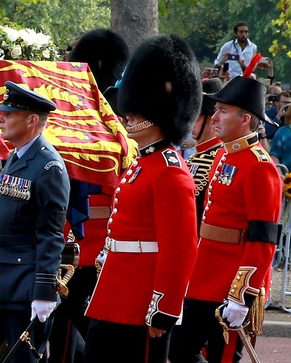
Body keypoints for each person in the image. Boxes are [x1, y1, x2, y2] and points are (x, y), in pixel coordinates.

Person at [83, 34, 201, 363]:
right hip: (113, 293)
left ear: (160, 111)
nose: (129, 116)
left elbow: (180, 249)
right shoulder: (142, 163)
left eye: (136, 111)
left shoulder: (171, 172)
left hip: (142, 302)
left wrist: (164, 308)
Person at [169, 76, 282, 362]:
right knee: (181, 349)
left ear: (245, 119)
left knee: (224, 356)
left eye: (223, 111)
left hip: (232, 281)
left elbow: (263, 238)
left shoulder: (260, 166)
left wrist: (242, 293)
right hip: (204, 273)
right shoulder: (223, 155)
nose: (215, 117)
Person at [0, 81, 69, 363]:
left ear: (32, 120)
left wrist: (44, 292)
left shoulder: (49, 167)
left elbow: (50, 234)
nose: (1, 119)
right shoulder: (17, 156)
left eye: (9, 114)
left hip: (24, 287)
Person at [48, 28, 129, 363]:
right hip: (79, 237)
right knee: (64, 329)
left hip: (87, 241)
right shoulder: (100, 111)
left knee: (74, 326)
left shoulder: (105, 113)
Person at [187, 78, 223, 226]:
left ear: (211, 120)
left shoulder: (219, 157)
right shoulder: (197, 155)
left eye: (196, 118)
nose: (191, 124)